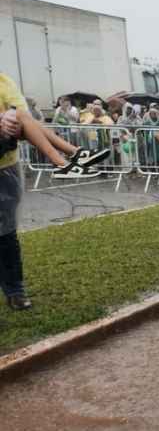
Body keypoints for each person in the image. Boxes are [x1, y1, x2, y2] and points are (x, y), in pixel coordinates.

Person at [0, 75, 110, 311]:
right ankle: (69, 158)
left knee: (6, 234)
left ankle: (15, 291)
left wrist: (9, 117)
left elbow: (21, 116)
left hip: (4, 163)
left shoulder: (3, 81)